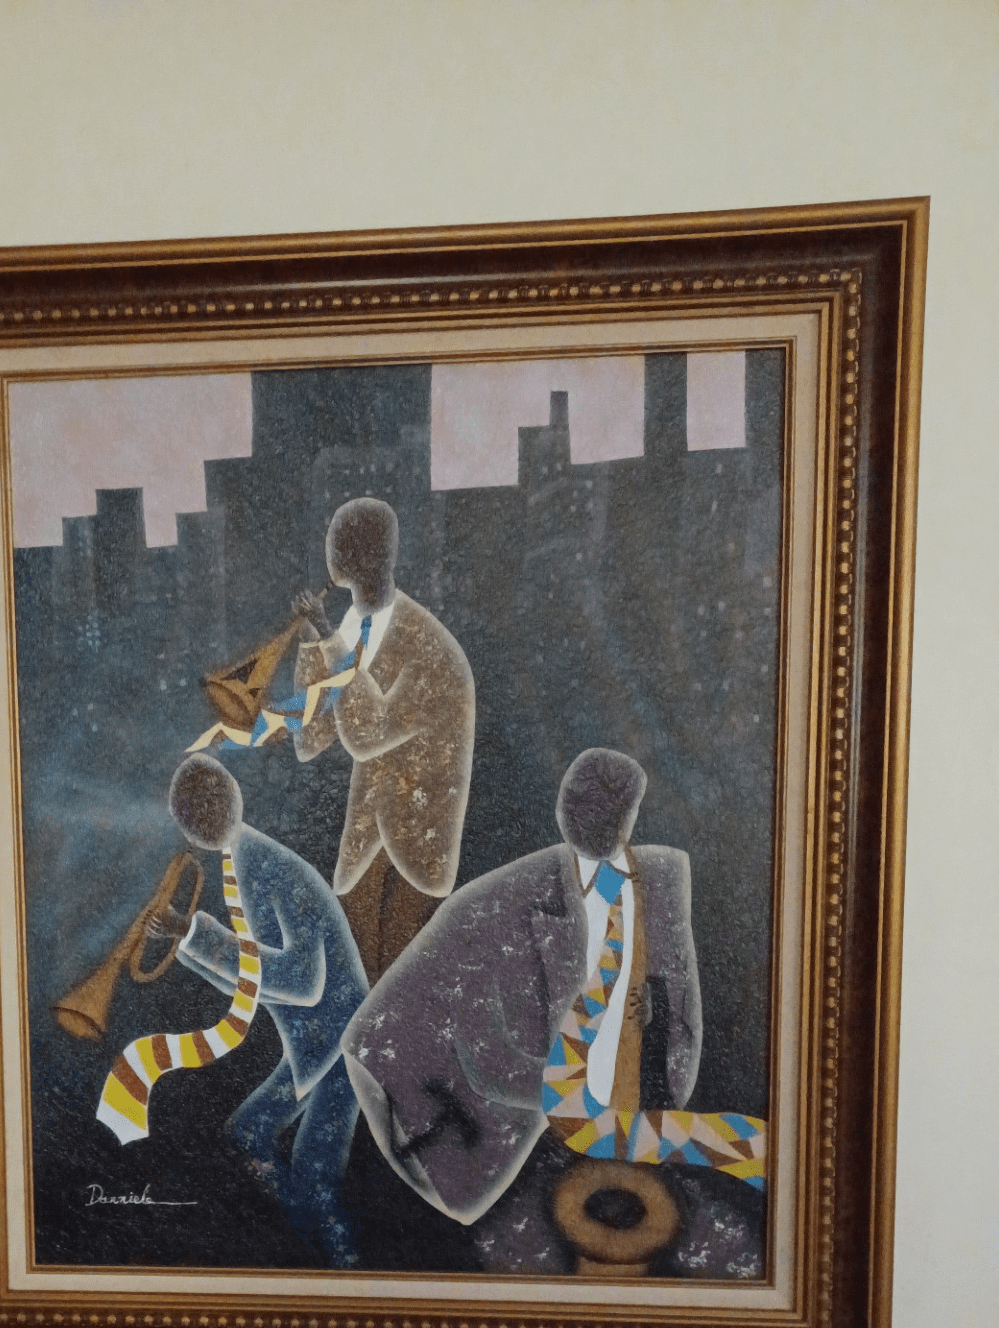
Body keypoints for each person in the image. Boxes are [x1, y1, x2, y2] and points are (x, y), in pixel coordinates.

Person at [340, 748, 703, 1225]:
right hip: (486, 1119)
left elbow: (680, 1015)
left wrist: (652, 1100)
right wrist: (584, 1101)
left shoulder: (662, 880)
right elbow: (486, 1059)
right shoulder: (495, 905)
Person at [148, 754, 369, 1265]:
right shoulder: (244, 861)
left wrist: (195, 935)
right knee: (256, 1139)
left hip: (339, 1040)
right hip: (319, 1041)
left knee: (310, 1170)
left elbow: (303, 983)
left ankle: (336, 1271)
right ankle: (313, 1258)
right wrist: (189, 939)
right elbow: (252, 983)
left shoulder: (264, 867)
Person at [291, 497, 474, 985]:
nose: (330, 549)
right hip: (367, 843)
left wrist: (326, 635)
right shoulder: (350, 628)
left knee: (396, 992)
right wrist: (310, 643)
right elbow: (310, 738)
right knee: (358, 989)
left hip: (417, 851)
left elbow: (366, 735)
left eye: (340, 541)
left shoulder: (429, 647)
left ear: (364, 556)